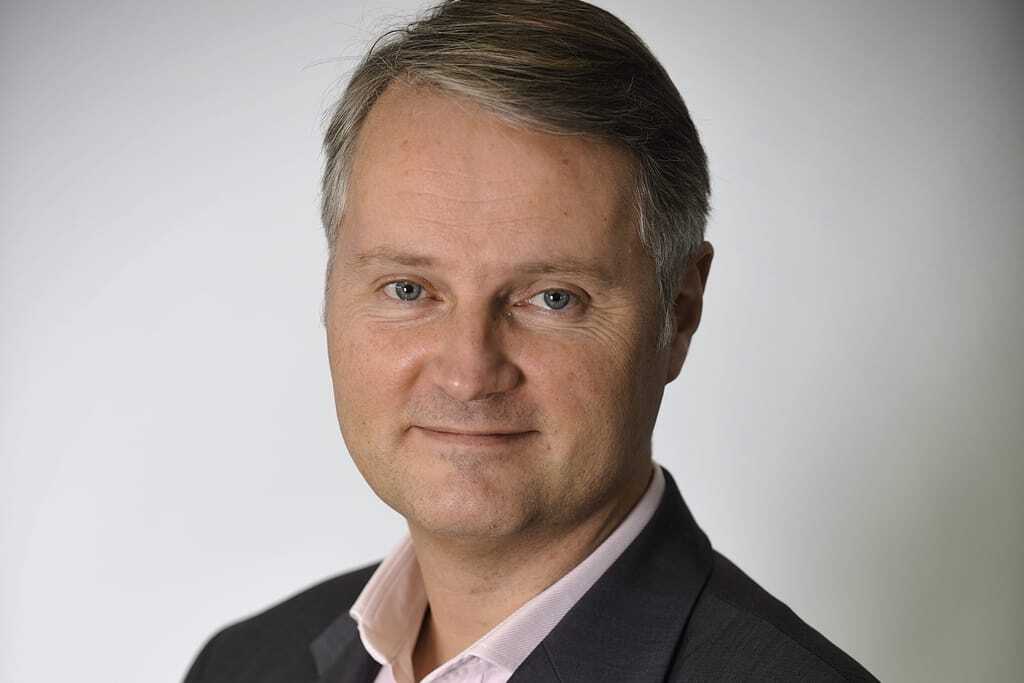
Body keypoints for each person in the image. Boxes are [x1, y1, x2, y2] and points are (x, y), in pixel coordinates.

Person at [185, 1, 877, 681]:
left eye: (553, 298)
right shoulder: (242, 665)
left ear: (679, 312)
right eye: (408, 289)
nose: (467, 373)